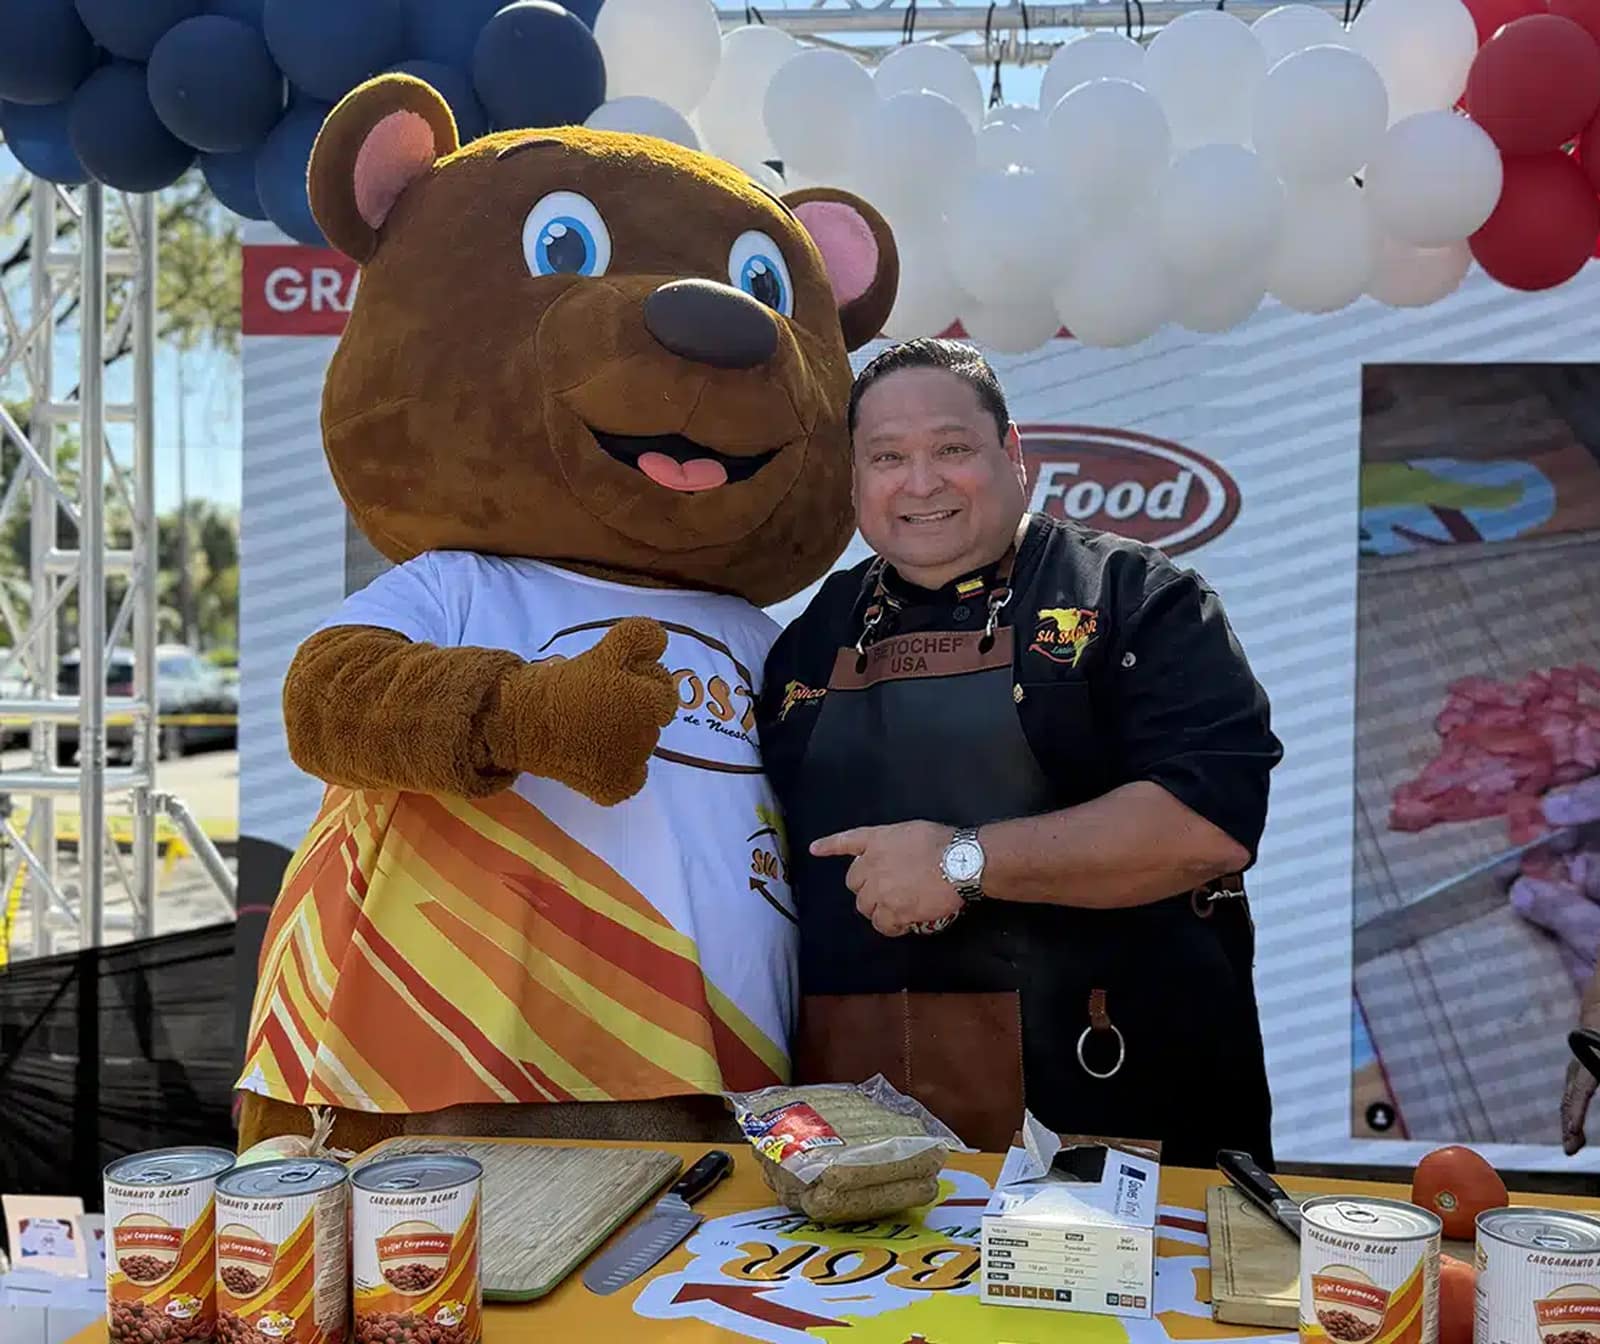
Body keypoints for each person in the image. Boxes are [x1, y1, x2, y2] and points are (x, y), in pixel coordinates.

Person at [755, 338, 1283, 1167]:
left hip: (1106, 1107)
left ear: (1013, 455)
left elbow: (1204, 824)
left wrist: (961, 861)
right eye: (887, 457)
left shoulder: (1133, 599)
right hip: (859, 1129)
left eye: (951, 449)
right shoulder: (809, 638)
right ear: (853, 479)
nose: (920, 482)